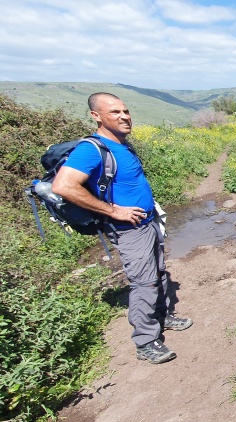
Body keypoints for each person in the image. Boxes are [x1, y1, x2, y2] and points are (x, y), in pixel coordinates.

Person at [52, 92, 191, 364]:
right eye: (115, 112)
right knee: (145, 281)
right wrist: (114, 211)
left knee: (160, 273)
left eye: (126, 111)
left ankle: (162, 316)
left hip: (147, 222)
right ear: (96, 116)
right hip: (128, 229)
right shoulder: (92, 149)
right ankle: (146, 341)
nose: (124, 116)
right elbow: (63, 186)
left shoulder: (122, 145)